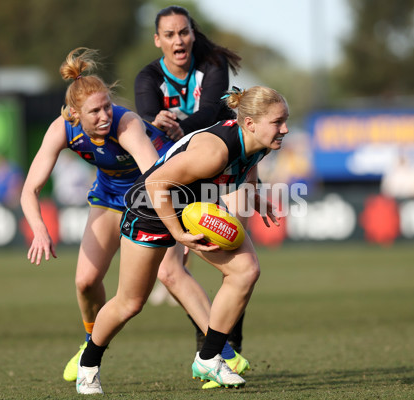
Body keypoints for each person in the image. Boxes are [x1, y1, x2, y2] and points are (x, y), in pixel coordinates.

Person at [20, 47, 247, 386]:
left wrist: (178, 228)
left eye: (107, 106)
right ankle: (90, 342)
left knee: (171, 272)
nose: (104, 116)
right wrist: (39, 229)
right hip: (110, 196)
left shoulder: (127, 125)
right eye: (94, 111)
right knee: (85, 281)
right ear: (73, 116)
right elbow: (30, 190)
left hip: (157, 194)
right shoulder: (61, 129)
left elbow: (155, 177)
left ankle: (224, 352)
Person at [76, 86, 289, 394]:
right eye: (278, 122)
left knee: (246, 271)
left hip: (193, 206)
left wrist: (256, 197)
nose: (285, 128)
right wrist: (177, 233)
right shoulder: (214, 152)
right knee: (130, 303)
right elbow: (154, 183)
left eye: (285, 121)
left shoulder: (262, 142)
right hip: (150, 206)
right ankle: (88, 364)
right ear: (250, 124)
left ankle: (209, 356)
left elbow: (249, 166)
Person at [135, 6, 248, 373]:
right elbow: (150, 121)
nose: (178, 40)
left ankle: (229, 344)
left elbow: (216, 112)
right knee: (172, 270)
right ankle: (214, 347)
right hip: (177, 177)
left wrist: (179, 126)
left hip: (220, 168)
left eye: (183, 32)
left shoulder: (213, 65)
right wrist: (158, 121)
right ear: (158, 40)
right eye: (169, 34)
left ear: (192, 35)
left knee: (231, 255)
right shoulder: (148, 76)